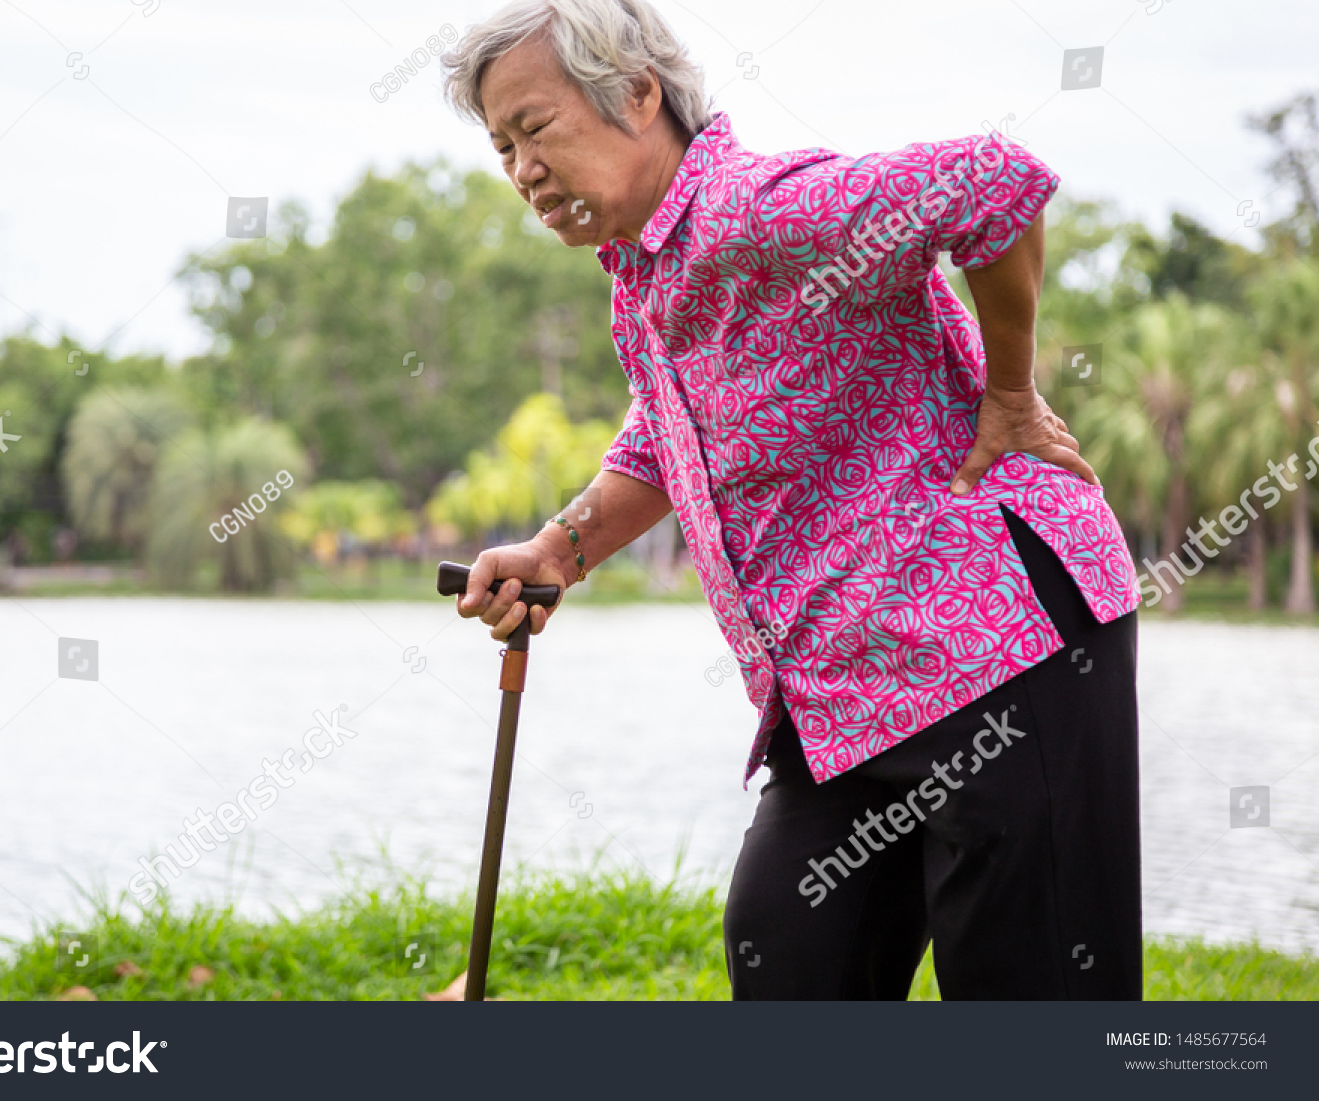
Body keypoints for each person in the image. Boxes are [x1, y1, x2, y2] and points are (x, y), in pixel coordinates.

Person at [441, 0, 1142, 999]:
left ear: (638, 95)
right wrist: (558, 551)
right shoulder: (641, 273)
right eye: (502, 144)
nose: (519, 168)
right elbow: (667, 436)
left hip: (1002, 642)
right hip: (840, 695)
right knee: (789, 957)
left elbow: (995, 182)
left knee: (1030, 989)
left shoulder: (760, 209)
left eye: (535, 128)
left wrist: (1011, 392)